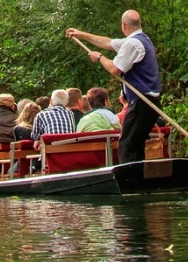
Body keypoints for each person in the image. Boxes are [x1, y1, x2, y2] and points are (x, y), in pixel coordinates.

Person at [68, 9, 162, 164]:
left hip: (143, 100)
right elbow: (105, 42)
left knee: (127, 145)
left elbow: (114, 69)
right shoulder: (140, 39)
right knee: (134, 142)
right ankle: (139, 177)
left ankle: (131, 181)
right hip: (147, 100)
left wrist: (99, 57)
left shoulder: (133, 44)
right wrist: (81, 34)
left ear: (123, 25)